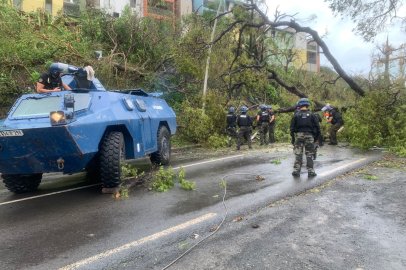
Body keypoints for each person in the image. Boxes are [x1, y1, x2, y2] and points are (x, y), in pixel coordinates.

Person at [290, 98, 320, 177]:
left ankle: (296, 171)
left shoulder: (296, 115)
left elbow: (292, 128)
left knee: (298, 154)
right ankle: (311, 171)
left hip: (299, 135)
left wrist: (292, 138)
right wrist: (316, 137)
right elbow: (317, 127)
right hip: (309, 136)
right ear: (307, 105)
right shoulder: (312, 115)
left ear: (299, 105)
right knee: (309, 154)